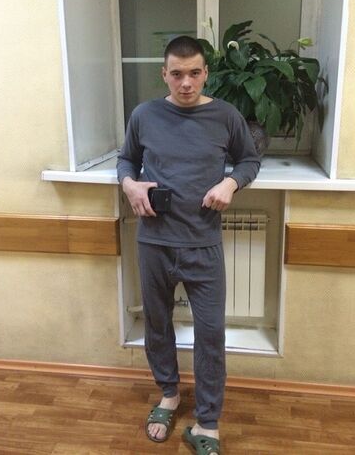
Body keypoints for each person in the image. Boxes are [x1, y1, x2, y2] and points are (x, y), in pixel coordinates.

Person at [117, 36, 260, 454]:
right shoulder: (144, 115)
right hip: (154, 241)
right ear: (164, 74)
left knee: (211, 333)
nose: (186, 83)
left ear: (205, 73)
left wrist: (231, 183)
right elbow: (126, 159)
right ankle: (168, 395)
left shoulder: (226, 116)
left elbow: (249, 160)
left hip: (203, 243)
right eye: (177, 74)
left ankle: (208, 422)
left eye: (194, 73)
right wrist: (129, 185)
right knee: (157, 325)